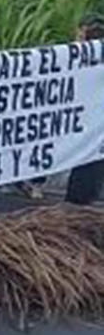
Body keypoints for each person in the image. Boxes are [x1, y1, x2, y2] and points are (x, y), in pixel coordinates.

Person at [65, 14, 104, 205]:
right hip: (89, 118)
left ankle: (79, 205)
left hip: (89, 118)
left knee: (87, 163)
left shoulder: (75, 54)